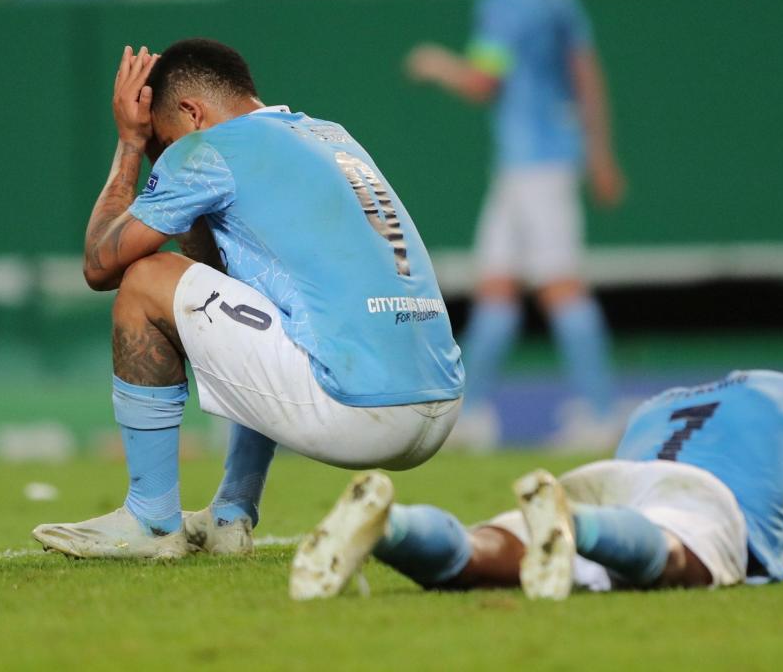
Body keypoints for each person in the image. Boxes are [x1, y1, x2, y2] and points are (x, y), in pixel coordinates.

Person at [32, 39, 464, 559]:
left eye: (164, 144)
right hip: (441, 399)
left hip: (360, 412)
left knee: (146, 277)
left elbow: (100, 265)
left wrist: (130, 143)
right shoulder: (328, 136)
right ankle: (230, 515)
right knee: (250, 300)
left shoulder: (206, 150)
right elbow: (218, 281)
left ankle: (149, 521)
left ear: (192, 114)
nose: (163, 159)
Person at [289, 370, 783, 600]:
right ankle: (577, 532)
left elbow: (655, 481)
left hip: (613, 480)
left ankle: (390, 526)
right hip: (683, 506)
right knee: (677, 559)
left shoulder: (660, 404)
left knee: (486, 552)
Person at [405, 0, 626, 451]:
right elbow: (586, 70)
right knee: (497, 287)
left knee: (560, 286)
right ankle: (472, 414)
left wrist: (436, 65)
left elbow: (483, 81)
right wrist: (598, 152)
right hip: (541, 158)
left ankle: (601, 414)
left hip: (535, 164)